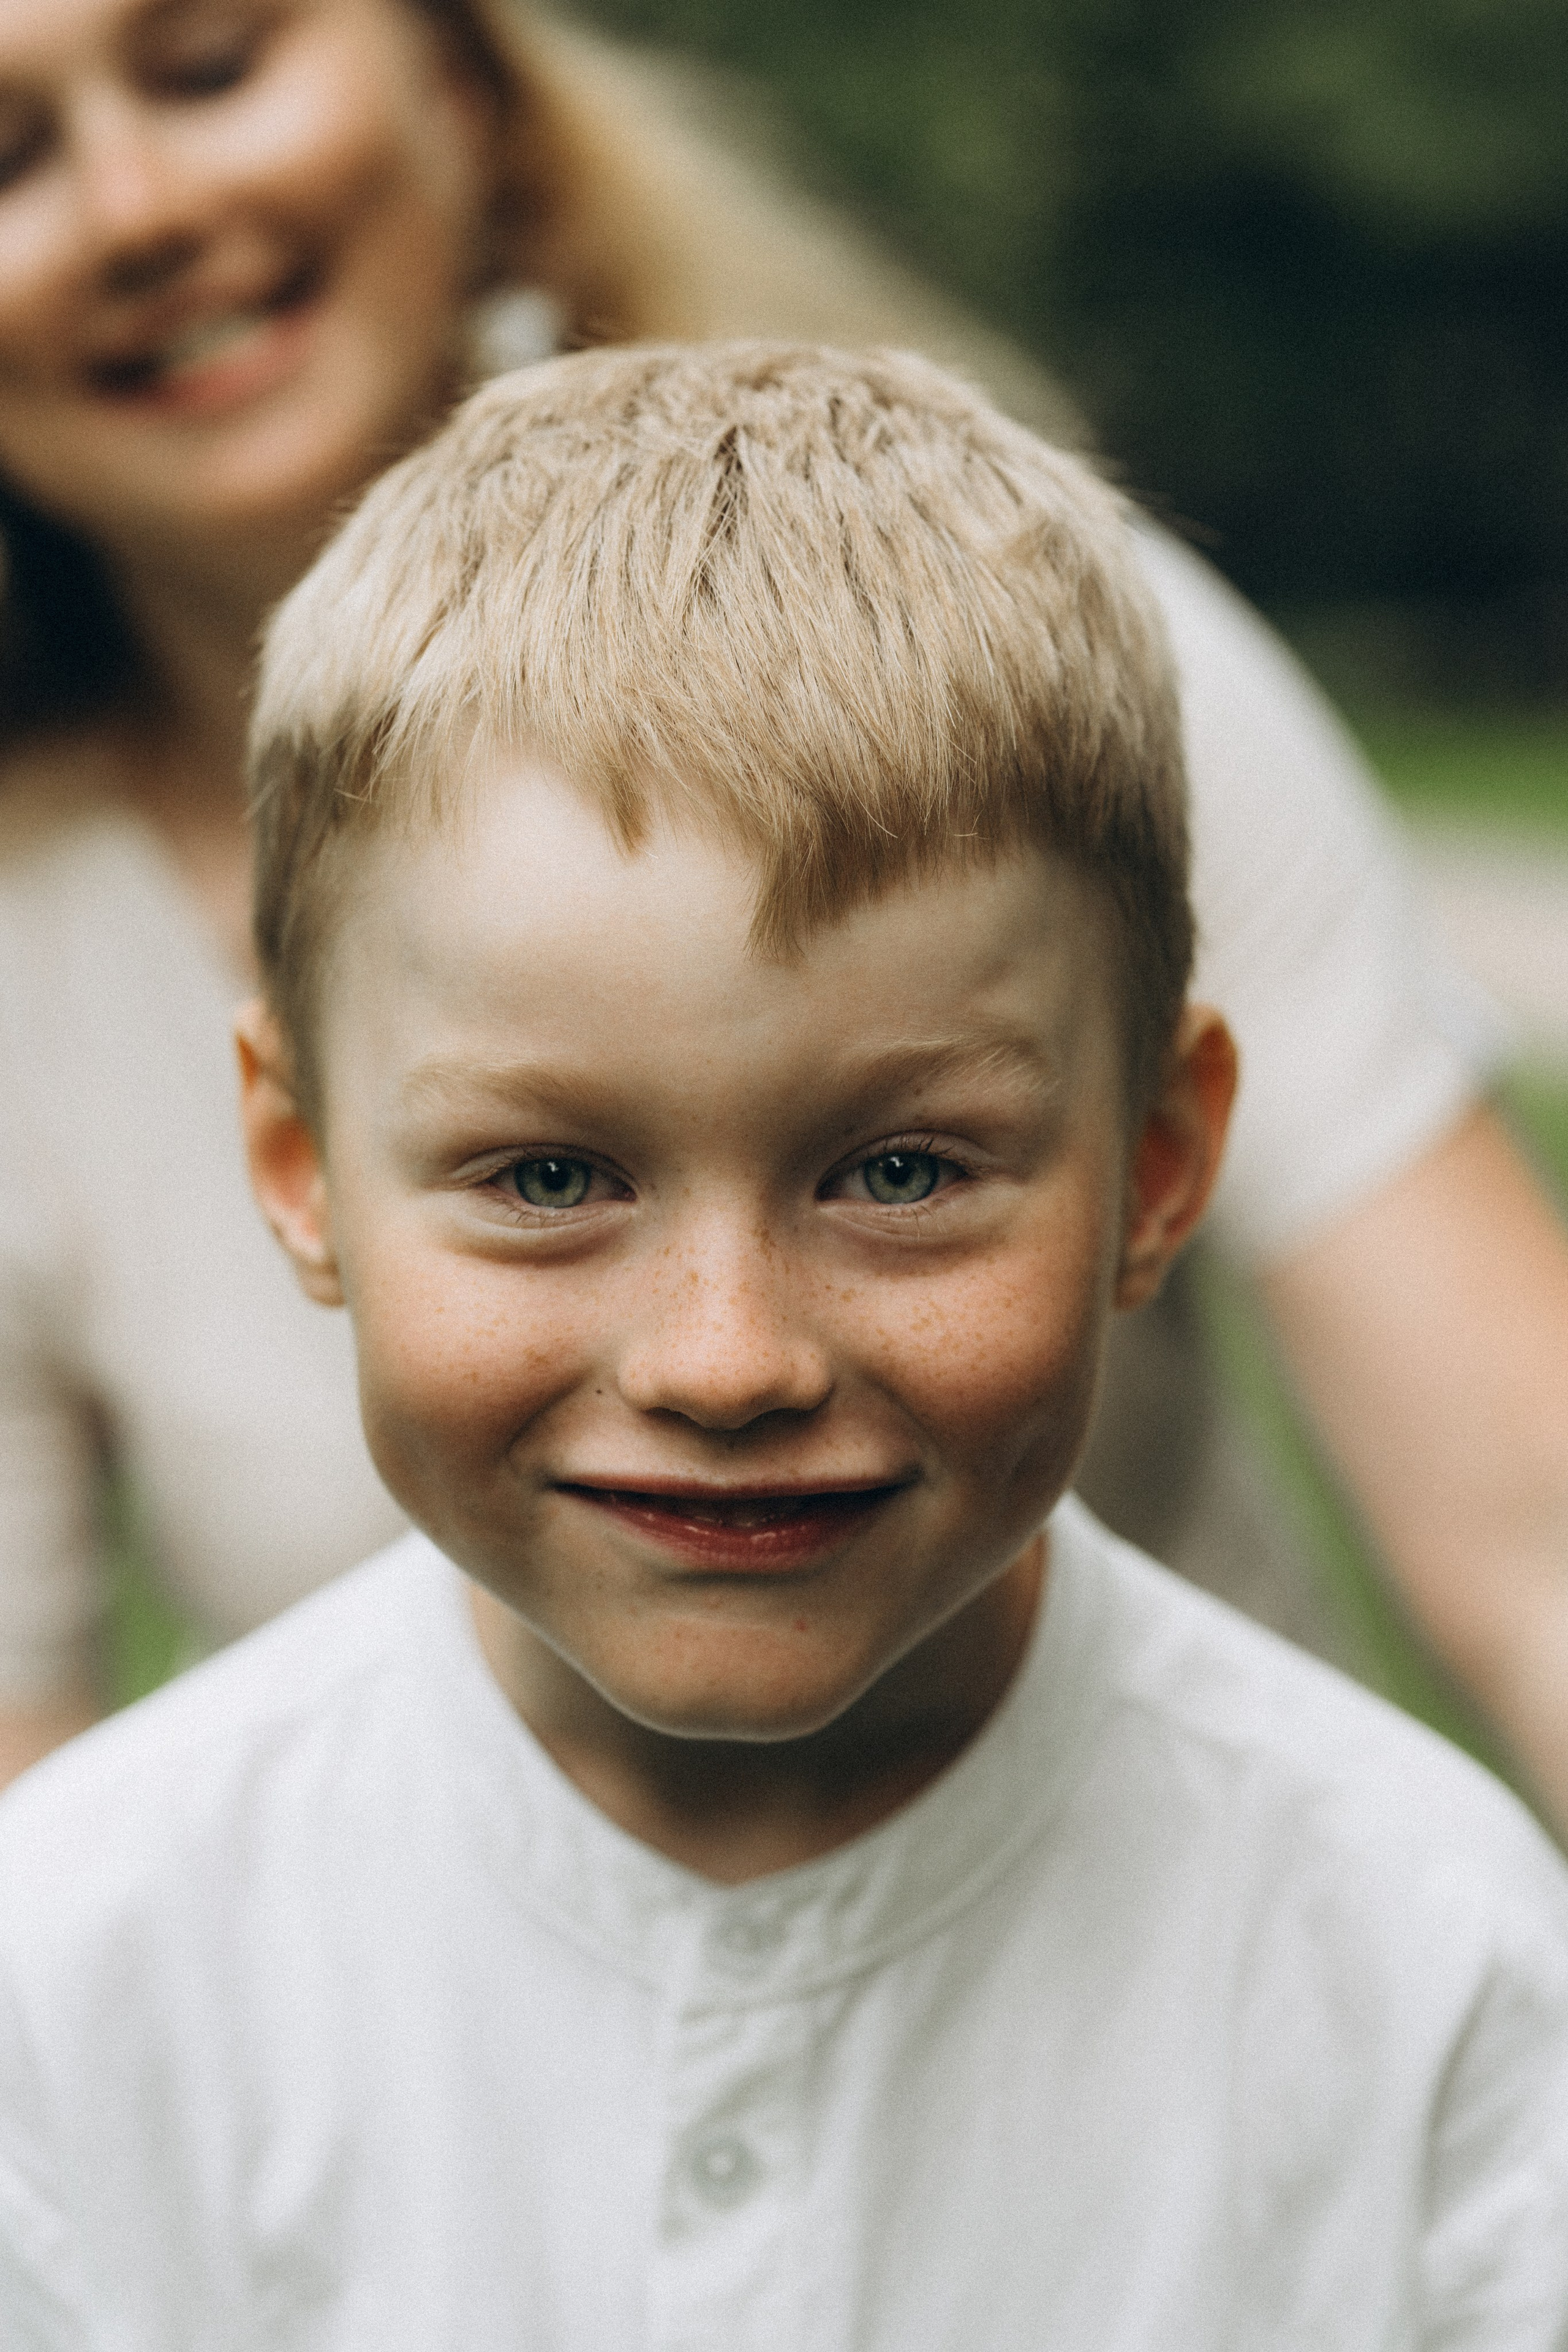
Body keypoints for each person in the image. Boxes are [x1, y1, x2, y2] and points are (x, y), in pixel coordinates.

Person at [4, 341, 1567, 2345]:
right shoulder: (84, 1972)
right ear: (301, 1165)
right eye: (550, 1179)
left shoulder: (1435, 1974)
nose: (727, 1361)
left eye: (901, 1173)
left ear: (1159, 1165)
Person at [1, 0, 1567, 1833]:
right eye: (8, 158)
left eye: (210, 69)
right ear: (296, 1156)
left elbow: (1531, 1535)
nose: (138, 207)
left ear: (462, 89)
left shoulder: (1024, 671)